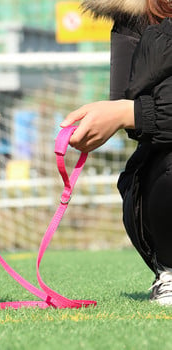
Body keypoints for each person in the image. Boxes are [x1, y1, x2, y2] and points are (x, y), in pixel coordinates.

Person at [61, 0, 172, 305]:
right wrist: (123, 112)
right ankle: (170, 271)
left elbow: (130, 111)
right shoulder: (134, 14)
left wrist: (129, 112)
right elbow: (130, 107)